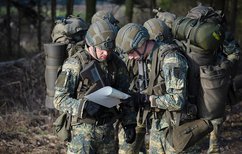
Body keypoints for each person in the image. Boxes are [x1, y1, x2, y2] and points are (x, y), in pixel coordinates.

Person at [53, 19, 136, 154]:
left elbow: (124, 95)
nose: (106, 53)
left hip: (107, 132)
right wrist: (83, 106)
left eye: (109, 49)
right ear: (91, 44)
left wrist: (129, 123)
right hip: (81, 134)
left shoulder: (116, 63)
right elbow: (59, 99)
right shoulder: (75, 63)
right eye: (102, 50)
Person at [115, 23, 189, 153]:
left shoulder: (170, 59)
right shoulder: (144, 59)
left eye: (131, 52)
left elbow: (177, 101)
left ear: (142, 43)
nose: (130, 57)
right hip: (158, 122)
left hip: (177, 124)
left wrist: (148, 99)